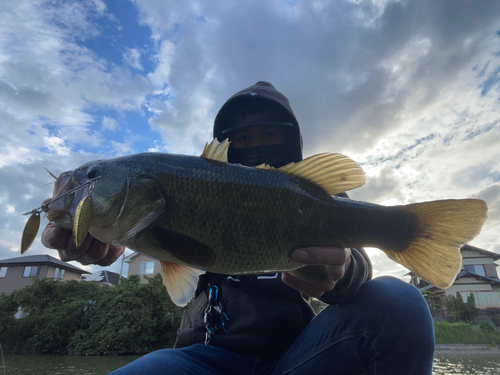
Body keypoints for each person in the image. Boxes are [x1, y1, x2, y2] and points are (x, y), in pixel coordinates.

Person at [41, 82, 435, 374]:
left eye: (269, 134)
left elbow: (358, 265)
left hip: (299, 355)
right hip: (202, 361)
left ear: (291, 139)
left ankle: (409, 229)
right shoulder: (174, 198)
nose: (256, 144)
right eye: (242, 137)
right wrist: (101, 246)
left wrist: (345, 272)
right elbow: (152, 256)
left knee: (398, 301)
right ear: (223, 144)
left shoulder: (313, 196)